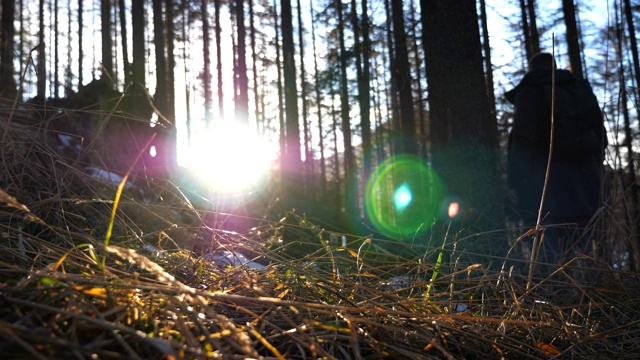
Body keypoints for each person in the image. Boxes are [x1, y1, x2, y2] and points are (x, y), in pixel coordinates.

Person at [505, 52, 607, 266]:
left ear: (533, 69)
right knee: (582, 239)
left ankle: (550, 292)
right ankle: (591, 289)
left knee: (545, 241)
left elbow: (522, 139)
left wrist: (514, 180)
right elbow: (600, 135)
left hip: (543, 181)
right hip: (583, 179)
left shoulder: (530, 89)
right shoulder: (579, 89)